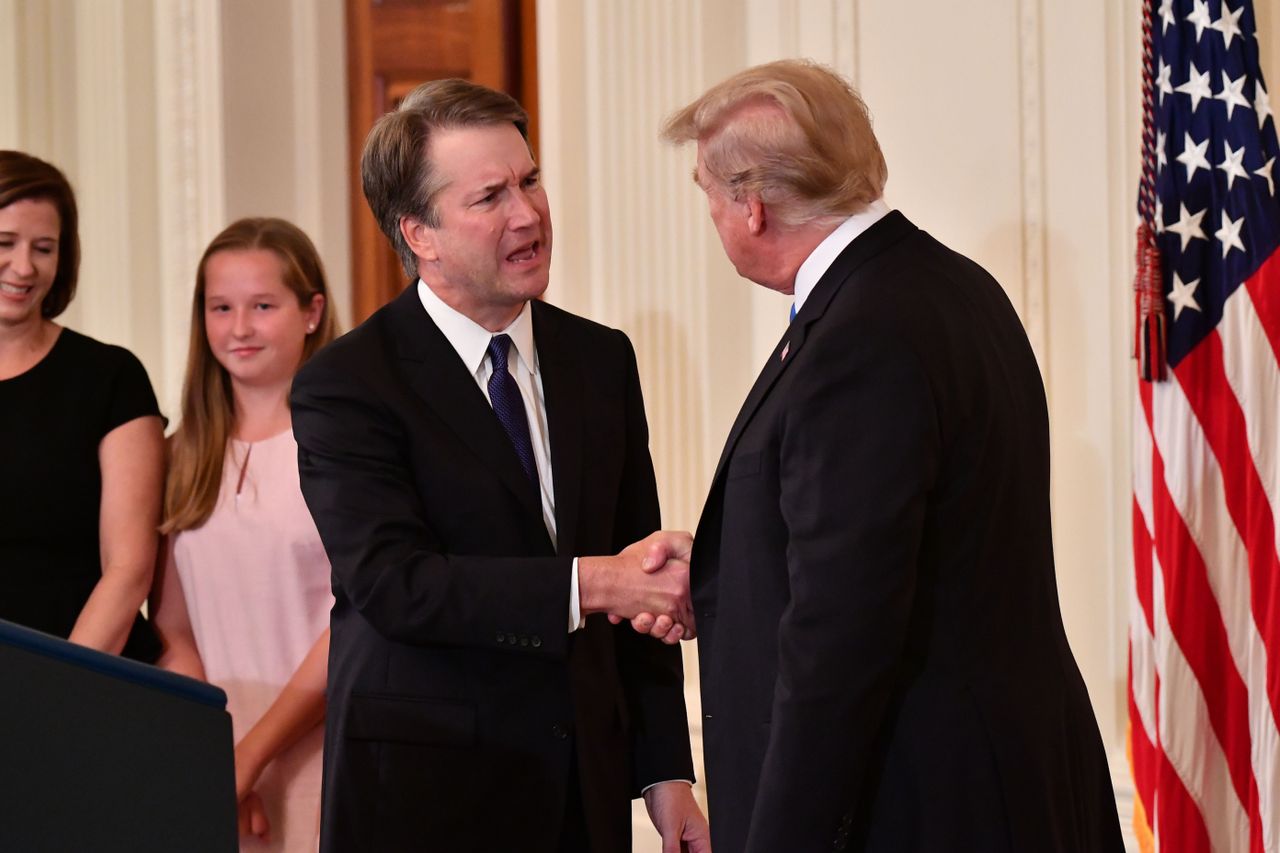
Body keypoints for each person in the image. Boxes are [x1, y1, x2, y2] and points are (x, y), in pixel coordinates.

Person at [658, 60, 1125, 852]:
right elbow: (907, 539)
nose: (712, 214)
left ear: (753, 205)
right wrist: (725, 567)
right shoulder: (949, 286)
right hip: (996, 780)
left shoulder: (859, 339)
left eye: (708, 193)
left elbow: (841, 632)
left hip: (920, 803)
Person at [290, 79, 708, 853]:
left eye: (530, 180)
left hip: (580, 797)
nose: (528, 214)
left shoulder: (599, 359)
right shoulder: (347, 383)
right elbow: (394, 583)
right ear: (421, 233)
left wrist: (664, 772)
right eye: (490, 197)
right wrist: (596, 581)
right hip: (426, 802)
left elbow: (635, 561)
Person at [150, 218, 338, 850]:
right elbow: (173, 626)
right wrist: (218, 750)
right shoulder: (179, 455)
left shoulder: (346, 451)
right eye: (220, 307)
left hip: (325, 749)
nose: (238, 329)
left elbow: (356, 620)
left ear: (312, 311)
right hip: (211, 754)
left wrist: (253, 755)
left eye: (263, 306)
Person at [0, 150, 164, 662]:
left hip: (76, 677)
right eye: (5, 243)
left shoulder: (109, 377)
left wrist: (56, 689)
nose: (24, 267)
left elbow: (129, 568)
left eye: (44, 248)